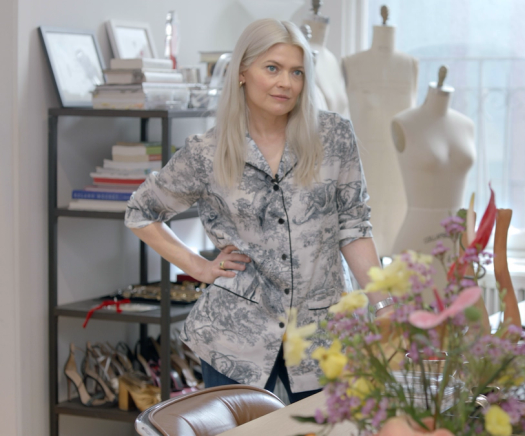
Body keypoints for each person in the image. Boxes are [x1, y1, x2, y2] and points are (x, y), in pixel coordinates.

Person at [124, 18, 389, 404]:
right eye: (272, 68)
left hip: (322, 334)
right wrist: (198, 266)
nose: (286, 83)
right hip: (235, 335)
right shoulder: (206, 151)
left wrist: (384, 304)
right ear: (243, 72)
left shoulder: (334, 136)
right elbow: (141, 211)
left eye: (297, 72)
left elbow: (354, 226)